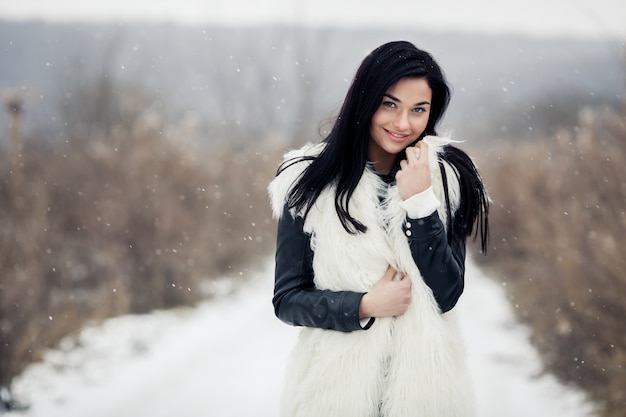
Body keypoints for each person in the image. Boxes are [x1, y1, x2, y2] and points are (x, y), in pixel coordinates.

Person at [268, 40, 489, 417]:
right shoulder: (309, 181)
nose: (403, 124)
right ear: (365, 100)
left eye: (419, 109)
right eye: (390, 104)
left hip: (426, 395)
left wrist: (421, 205)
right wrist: (362, 306)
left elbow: (447, 292)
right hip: (332, 393)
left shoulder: (445, 178)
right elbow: (287, 299)